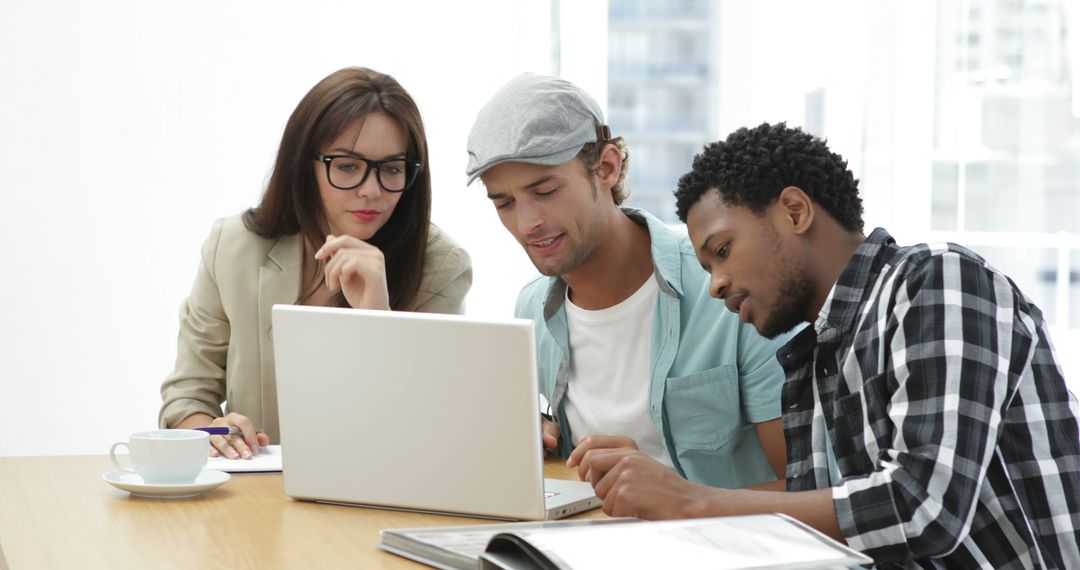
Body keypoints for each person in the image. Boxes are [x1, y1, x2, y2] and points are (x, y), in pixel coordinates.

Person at [579, 122, 1080, 568]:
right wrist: (661, 511)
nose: (715, 284)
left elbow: (924, 509)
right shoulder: (816, 355)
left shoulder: (937, 279)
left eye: (724, 251)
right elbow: (815, 522)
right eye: (707, 267)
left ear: (795, 211)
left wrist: (689, 504)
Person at [464, 74, 791, 490]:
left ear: (607, 166)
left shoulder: (732, 288)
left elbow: (809, 488)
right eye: (504, 203)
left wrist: (681, 502)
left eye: (544, 191)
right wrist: (535, 434)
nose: (527, 223)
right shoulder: (531, 310)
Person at [159, 67, 472, 460]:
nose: (371, 190)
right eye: (347, 166)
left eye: (392, 169)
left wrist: (378, 315)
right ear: (303, 164)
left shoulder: (442, 266)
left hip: (375, 494)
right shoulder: (234, 246)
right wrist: (210, 432)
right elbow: (187, 394)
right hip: (258, 501)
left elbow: (429, 427)